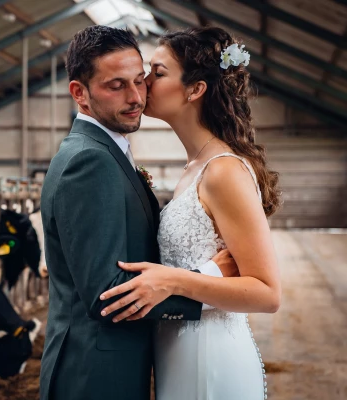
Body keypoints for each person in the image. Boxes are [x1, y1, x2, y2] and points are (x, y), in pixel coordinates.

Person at [38, 26, 239, 400]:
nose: (135, 98)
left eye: (139, 80)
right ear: (79, 93)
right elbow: (106, 295)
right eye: (116, 86)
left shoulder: (106, 152)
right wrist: (209, 280)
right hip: (95, 378)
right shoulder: (89, 161)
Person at [99, 27, 282, 399]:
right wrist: (206, 273)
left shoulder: (223, 170)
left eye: (158, 72)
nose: (145, 82)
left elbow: (267, 293)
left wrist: (176, 281)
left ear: (195, 89)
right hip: (177, 350)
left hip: (209, 355)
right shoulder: (194, 167)